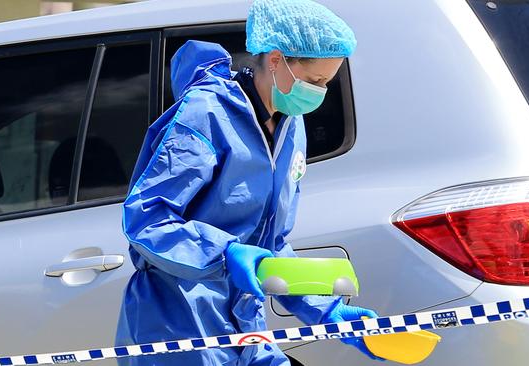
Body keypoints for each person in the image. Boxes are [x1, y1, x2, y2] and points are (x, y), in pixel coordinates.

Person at [116, 0, 383, 364]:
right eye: (314, 81)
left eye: (326, 83)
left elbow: (271, 244)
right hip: (179, 327)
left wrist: (326, 313)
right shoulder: (204, 115)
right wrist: (225, 252)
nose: (319, 92)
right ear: (276, 60)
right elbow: (147, 220)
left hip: (246, 326)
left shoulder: (291, 127)